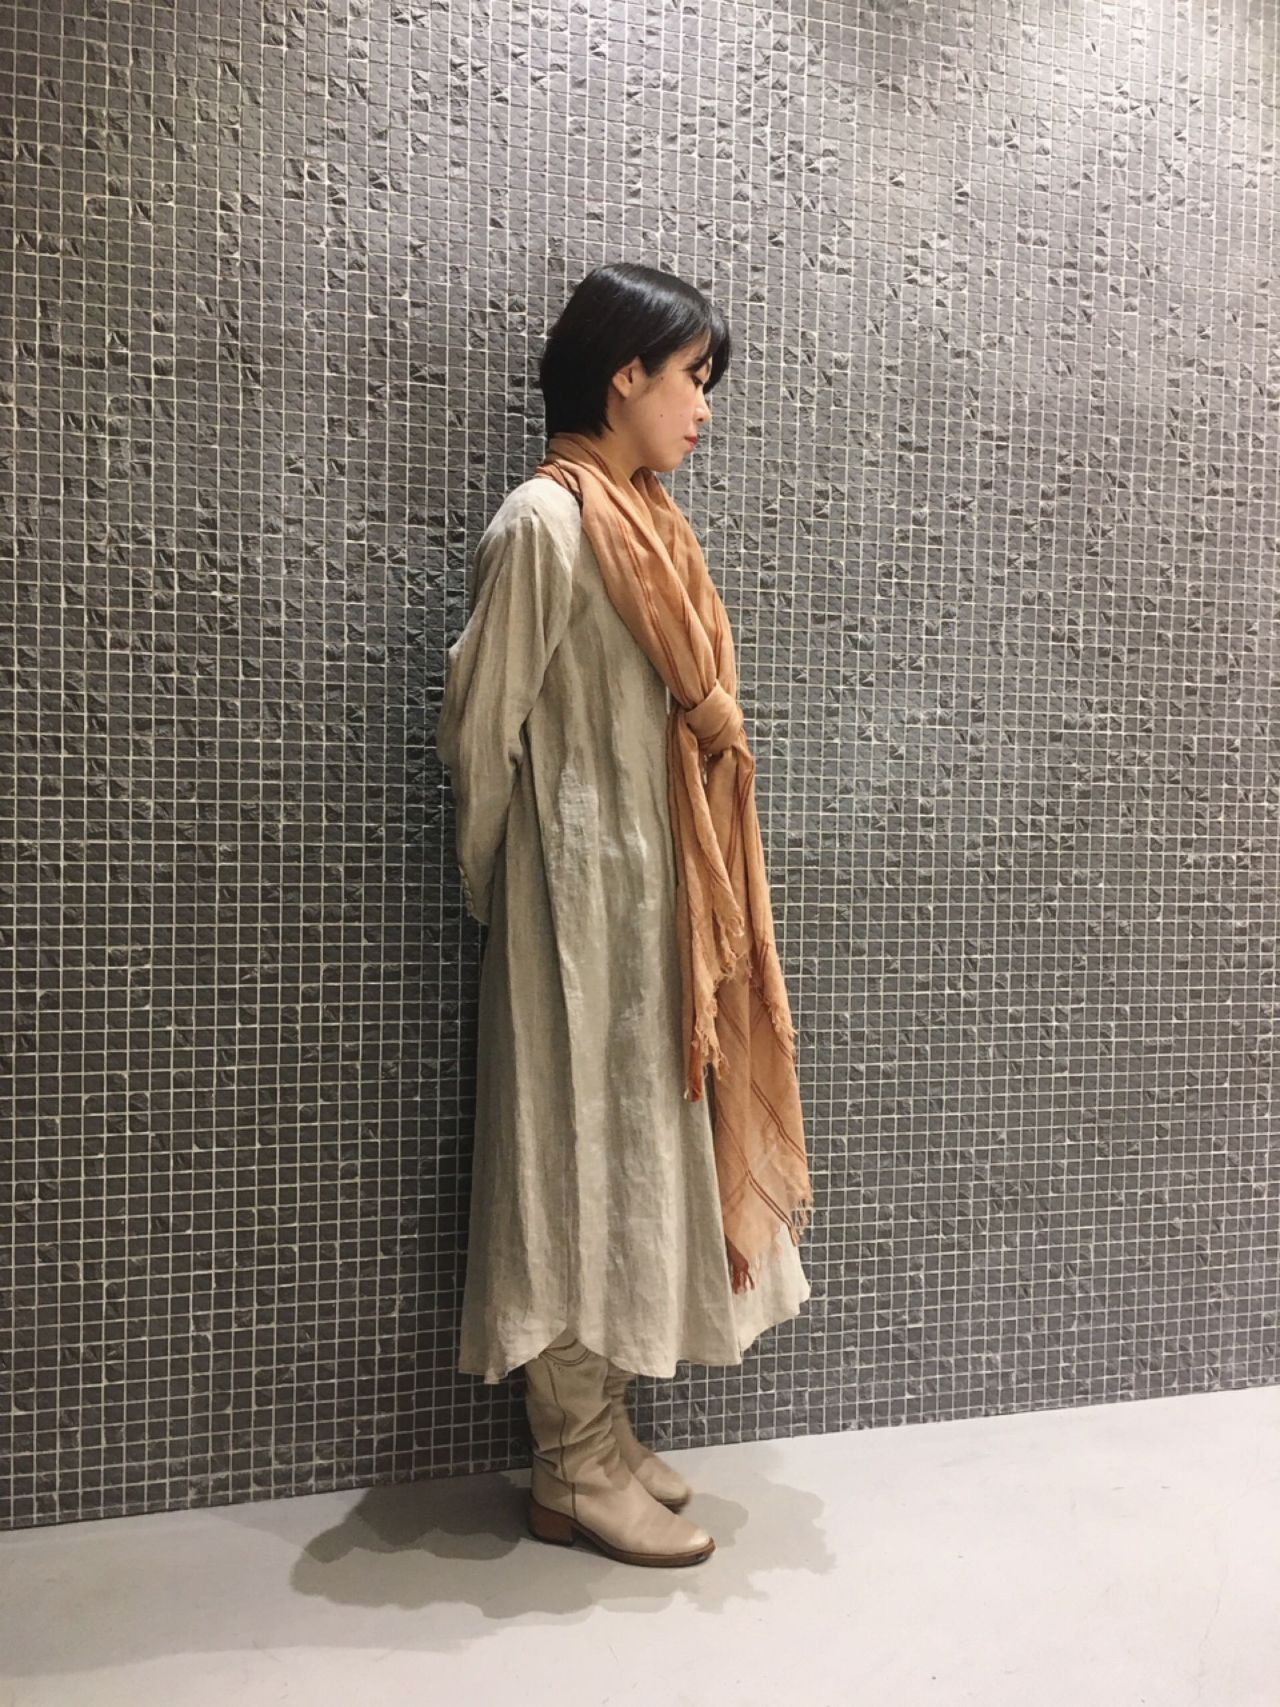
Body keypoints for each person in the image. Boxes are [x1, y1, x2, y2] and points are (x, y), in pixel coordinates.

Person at [434, 261, 816, 1569]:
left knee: (638, 1157)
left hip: (661, 909)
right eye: (693, 379)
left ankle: (603, 1429)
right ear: (625, 374)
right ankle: (570, 1463)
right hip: (573, 913)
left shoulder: (648, 523)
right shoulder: (543, 524)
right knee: (567, 1162)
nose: (704, 408)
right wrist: (514, 901)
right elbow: (480, 734)